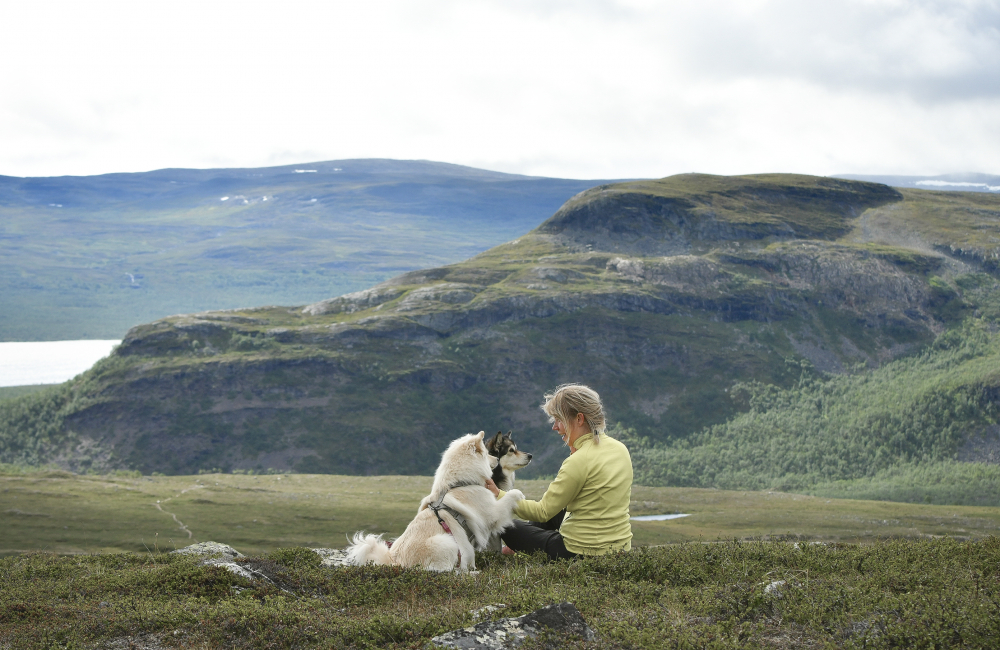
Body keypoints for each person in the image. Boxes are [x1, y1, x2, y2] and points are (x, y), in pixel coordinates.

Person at [486, 384, 633, 560]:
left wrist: (499, 494)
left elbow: (542, 512)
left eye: (558, 419)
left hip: (579, 552)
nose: (555, 427)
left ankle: (514, 549)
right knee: (558, 509)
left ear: (579, 419)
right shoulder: (620, 448)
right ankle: (520, 546)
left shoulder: (578, 460)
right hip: (620, 549)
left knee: (508, 527)